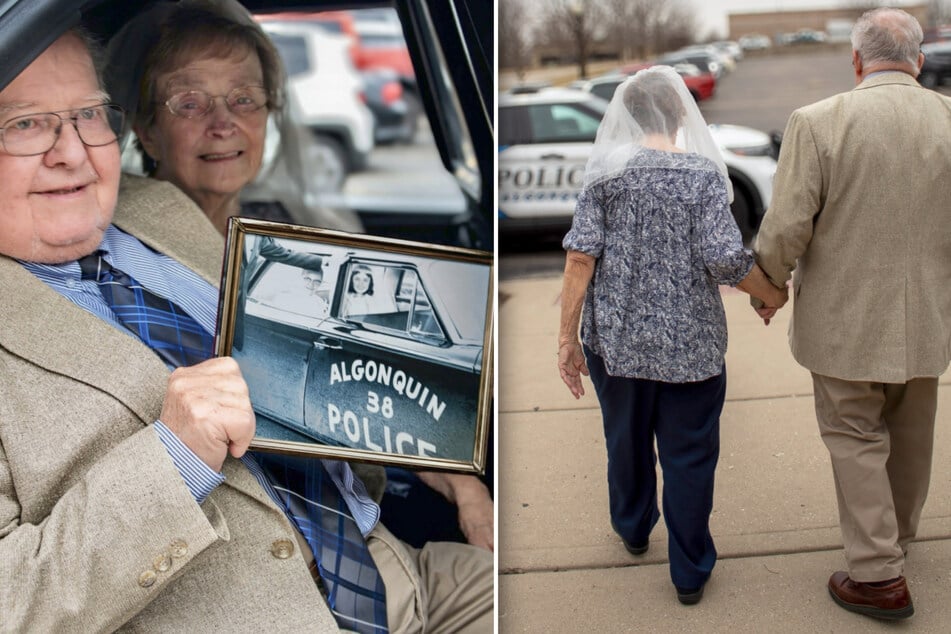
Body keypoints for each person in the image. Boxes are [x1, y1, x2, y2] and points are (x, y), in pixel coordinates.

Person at [0, 27, 491, 632]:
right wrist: (174, 457)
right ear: (152, 129)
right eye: (25, 124)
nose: (72, 152)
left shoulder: (160, 209)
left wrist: (435, 445)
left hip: (391, 569)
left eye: (88, 115)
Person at [105, 0, 493, 553]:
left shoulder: (286, 236)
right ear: (145, 128)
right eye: (189, 101)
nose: (224, 122)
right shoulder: (123, 266)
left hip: (350, 518)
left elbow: (360, 399)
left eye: (244, 98)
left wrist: (461, 479)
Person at [557, 67, 787, 606]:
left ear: (627, 117)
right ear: (681, 113)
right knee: (688, 458)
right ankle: (688, 573)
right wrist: (770, 293)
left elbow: (579, 256)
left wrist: (566, 340)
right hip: (692, 349)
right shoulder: (702, 176)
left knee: (625, 441)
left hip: (615, 344)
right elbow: (726, 258)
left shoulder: (604, 176)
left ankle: (634, 529)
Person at [751, 7, 951, 621]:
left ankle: (877, 575)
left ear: (857, 60)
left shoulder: (818, 122)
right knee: (912, 433)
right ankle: (896, 539)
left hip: (843, 321)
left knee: (855, 437)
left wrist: (768, 286)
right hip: (930, 316)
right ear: (917, 59)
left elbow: (786, 224)